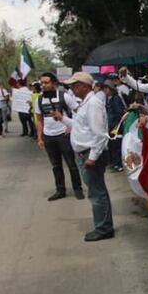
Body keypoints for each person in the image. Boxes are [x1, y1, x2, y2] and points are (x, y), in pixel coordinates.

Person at [51, 71, 114, 242]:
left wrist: (92, 157)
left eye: (74, 86)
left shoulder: (93, 104)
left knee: (97, 193)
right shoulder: (86, 103)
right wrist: (63, 119)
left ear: (84, 86)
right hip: (85, 153)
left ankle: (104, 228)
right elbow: (81, 126)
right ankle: (103, 226)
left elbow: (100, 134)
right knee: (96, 191)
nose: (72, 90)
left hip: (90, 154)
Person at [34, 72, 84, 201]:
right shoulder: (39, 100)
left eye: (46, 82)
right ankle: (60, 190)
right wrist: (40, 138)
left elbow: (79, 112)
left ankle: (78, 189)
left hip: (64, 135)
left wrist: (71, 126)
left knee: (71, 164)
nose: (43, 85)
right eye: (41, 83)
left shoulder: (64, 96)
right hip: (48, 136)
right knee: (55, 165)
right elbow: (39, 120)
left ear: (54, 83)